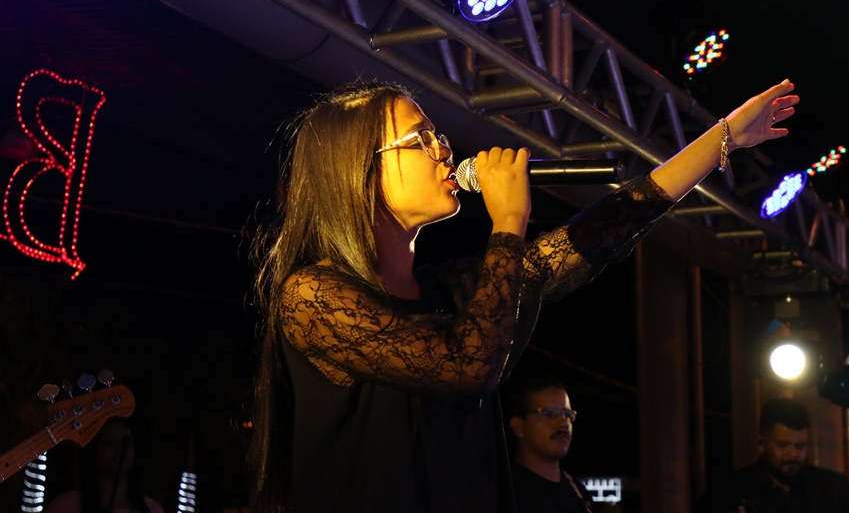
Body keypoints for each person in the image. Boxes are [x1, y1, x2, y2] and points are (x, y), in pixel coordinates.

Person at [249, 78, 798, 512]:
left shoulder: (449, 288)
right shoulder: (311, 295)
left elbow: (598, 235)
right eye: (421, 138)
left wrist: (722, 136)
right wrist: (507, 222)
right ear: (358, 169)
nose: (444, 149)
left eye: (439, 134)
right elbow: (466, 367)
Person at [694, 398, 849, 513]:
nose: (793, 454)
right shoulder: (730, 491)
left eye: (801, 446)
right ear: (762, 443)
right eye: (783, 445)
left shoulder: (833, 488)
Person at [505, 375, 592, 513]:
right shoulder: (505, 492)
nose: (563, 423)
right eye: (548, 413)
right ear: (518, 426)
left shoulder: (578, 491)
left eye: (567, 414)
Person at [45, 417, 164, 513]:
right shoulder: (67, 505)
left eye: (126, 442)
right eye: (108, 443)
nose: (119, 449)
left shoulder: (152, 508)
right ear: (93, 450)